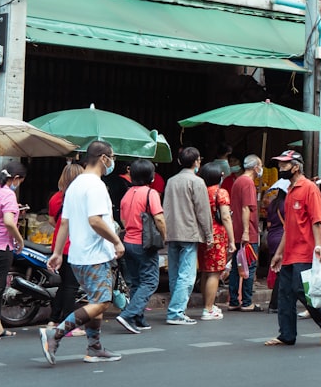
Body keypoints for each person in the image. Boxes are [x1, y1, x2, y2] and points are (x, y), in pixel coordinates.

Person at [39, 142, 124, 364]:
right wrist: (116, 241)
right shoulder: (95, 185)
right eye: (112, 157)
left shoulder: (75, 185)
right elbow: (95, 220)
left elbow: (64, 222)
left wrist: (57, 252)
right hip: (94, 255)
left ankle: (94, 347)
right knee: (103, 301)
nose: (112, 162)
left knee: (96, 301)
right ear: (104, 158)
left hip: (77, 255)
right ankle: (55, 333)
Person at [265, 150, 321, 347]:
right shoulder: (290, 191)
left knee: (301, 289)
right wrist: (279, 253)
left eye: (284, 165)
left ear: (295, 166)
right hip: (289, 251)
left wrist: (318, 246)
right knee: (285, 295)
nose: (280, 168)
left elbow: (316, 220)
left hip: (305, 250)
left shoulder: (309, 188)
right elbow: (289, 227)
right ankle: (286, 335)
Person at [163, 146, 214, 325]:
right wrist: (209, 235)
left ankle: (176, 309)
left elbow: (166, 208)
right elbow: (203, 211)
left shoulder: (171, 181)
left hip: (172, 232)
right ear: (197, 161)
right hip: (190, 232)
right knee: (187, 274)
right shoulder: (197, 182)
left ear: (179, 161)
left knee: (175, 274)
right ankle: (176, 312)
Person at [115, 159, 166, 333]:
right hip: (144, 244)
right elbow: (159, 218)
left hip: (128, 241)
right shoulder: (150, 193)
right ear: (150, 176)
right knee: (150, 281)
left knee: (136, 281)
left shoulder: (127, 193)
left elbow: (122, 219)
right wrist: (164, 237)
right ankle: (128, 314)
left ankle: (138, 318)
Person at [47, 162, 85, 329]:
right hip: (74, 245)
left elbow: (52, 221)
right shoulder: (81, 198)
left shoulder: (56, 198)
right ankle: (69, 325)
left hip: (58, 245)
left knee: (64, 284)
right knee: (71, 286)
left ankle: (53, 319)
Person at [0, 162, 26, 340]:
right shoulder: (8, 194)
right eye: (20, 181)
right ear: (15, 179)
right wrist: (19, 240)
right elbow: (7, 221)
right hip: (0, 246)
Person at [198, 163, 234, 320]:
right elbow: (225, 216)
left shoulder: (200, 191)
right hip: (217, 234)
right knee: (215, 272)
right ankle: (208, 309)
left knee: (206, 270)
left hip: (202, 234)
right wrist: (232, 240)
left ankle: (208, 304)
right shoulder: (221, 192)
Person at [229, 154, 263, 312]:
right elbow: (246, 208)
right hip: (247, 231)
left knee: (238, 265)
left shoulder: (238, 181)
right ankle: (247, 301)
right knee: (249, 264)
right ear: (256, 167)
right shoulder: (248, 183)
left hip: (237, 229)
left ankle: (234, 300)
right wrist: (247, 232)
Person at [263, 177, 289, 314]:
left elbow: (268, 224)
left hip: (272, 238)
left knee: (279, 271)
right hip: (281, 239)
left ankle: (276, 303)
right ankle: (275, 304)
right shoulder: (287, 204)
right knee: (282, 273)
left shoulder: (273, 204)